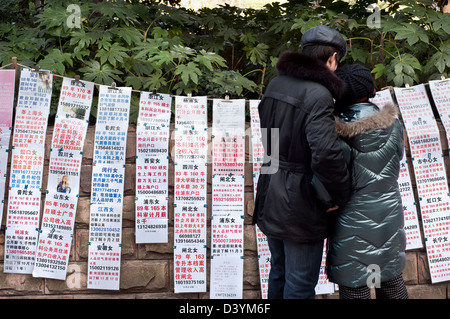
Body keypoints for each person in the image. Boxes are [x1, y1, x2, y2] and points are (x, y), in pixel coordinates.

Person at [252, 25, 352, 299]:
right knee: (299, 282)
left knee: (279, 271)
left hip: (270, 189)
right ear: (332, 58)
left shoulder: (276, 83)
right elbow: (325, 154)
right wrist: (340, 195)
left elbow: (268, 138)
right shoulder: (318, 94)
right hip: (301, 202)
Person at [325, 64, 408, 299]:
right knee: (391, 280)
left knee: (355, 286)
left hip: (351, 217)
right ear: (371, 90)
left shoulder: (335, 131)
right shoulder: (394, 124)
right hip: (390, 211)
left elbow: (329, 176)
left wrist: (324, 201)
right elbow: (397, 158)